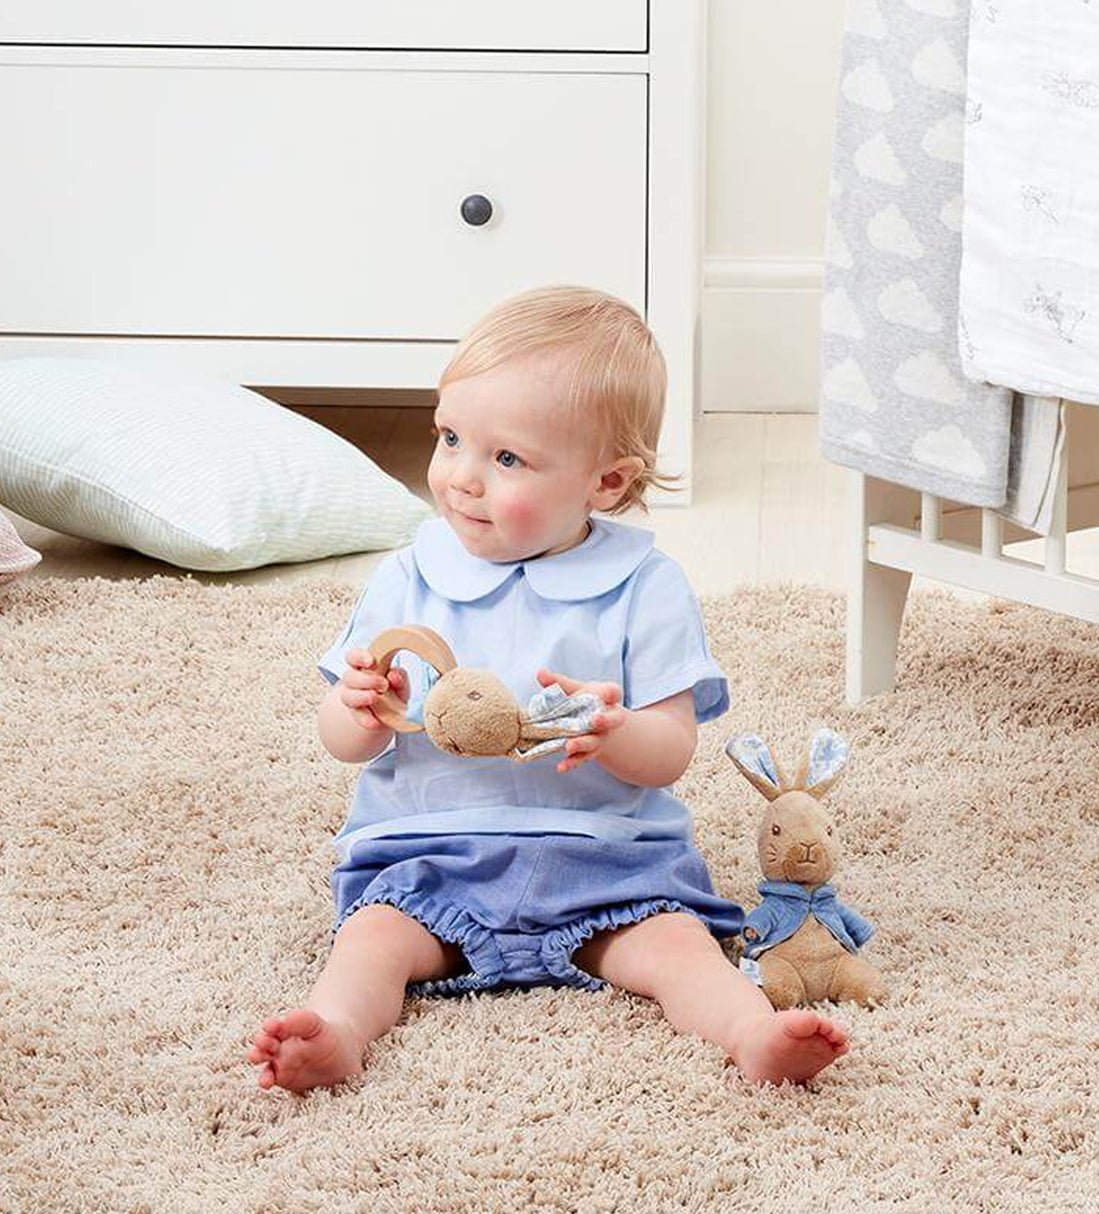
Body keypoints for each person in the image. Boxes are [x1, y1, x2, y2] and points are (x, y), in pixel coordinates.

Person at [246, 286, 850, 1092]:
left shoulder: (645, 585)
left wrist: (615, 730)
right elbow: (345, 740)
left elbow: (670, 751)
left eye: (505, 459)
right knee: (373, 944)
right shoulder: (408, 575)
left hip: (605, 863)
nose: (461, 477)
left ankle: (754, 1034)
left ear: (605, 482)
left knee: (678, 949)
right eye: (450, 437)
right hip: (435, 853)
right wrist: (355, 704)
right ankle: (340, 1035)